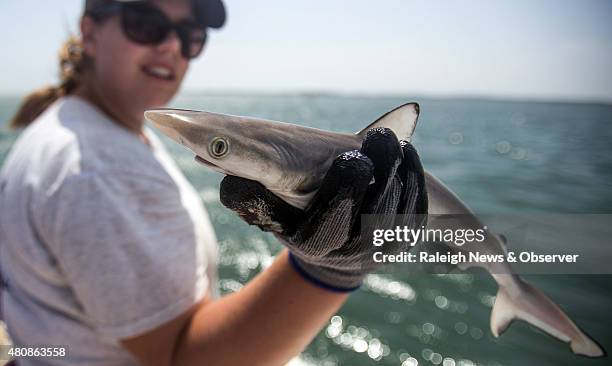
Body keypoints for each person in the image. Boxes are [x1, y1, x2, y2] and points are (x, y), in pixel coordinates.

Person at [0, 0, 428, 365]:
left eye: (190, 36)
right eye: (145, 24)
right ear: (89, 33)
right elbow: (184, 360)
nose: (171, 46)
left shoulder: (75, 127)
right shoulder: (98, 170)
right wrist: (330, 266)